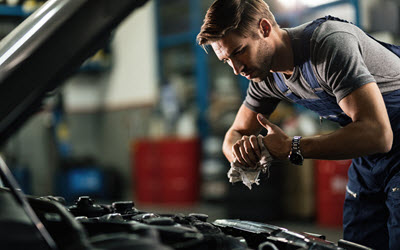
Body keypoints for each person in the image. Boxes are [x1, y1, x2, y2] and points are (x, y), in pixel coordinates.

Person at [196, 0, 400, 249]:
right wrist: (241, 153)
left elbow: (379, 135)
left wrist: (292, 147)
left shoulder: (328, 44)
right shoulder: (266, 78)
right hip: (370, 156)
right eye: (226, 60)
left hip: (383, 139)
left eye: (239, 51)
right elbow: (234, 134)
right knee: (358, 242)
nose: (237, 69)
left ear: (264, 28)